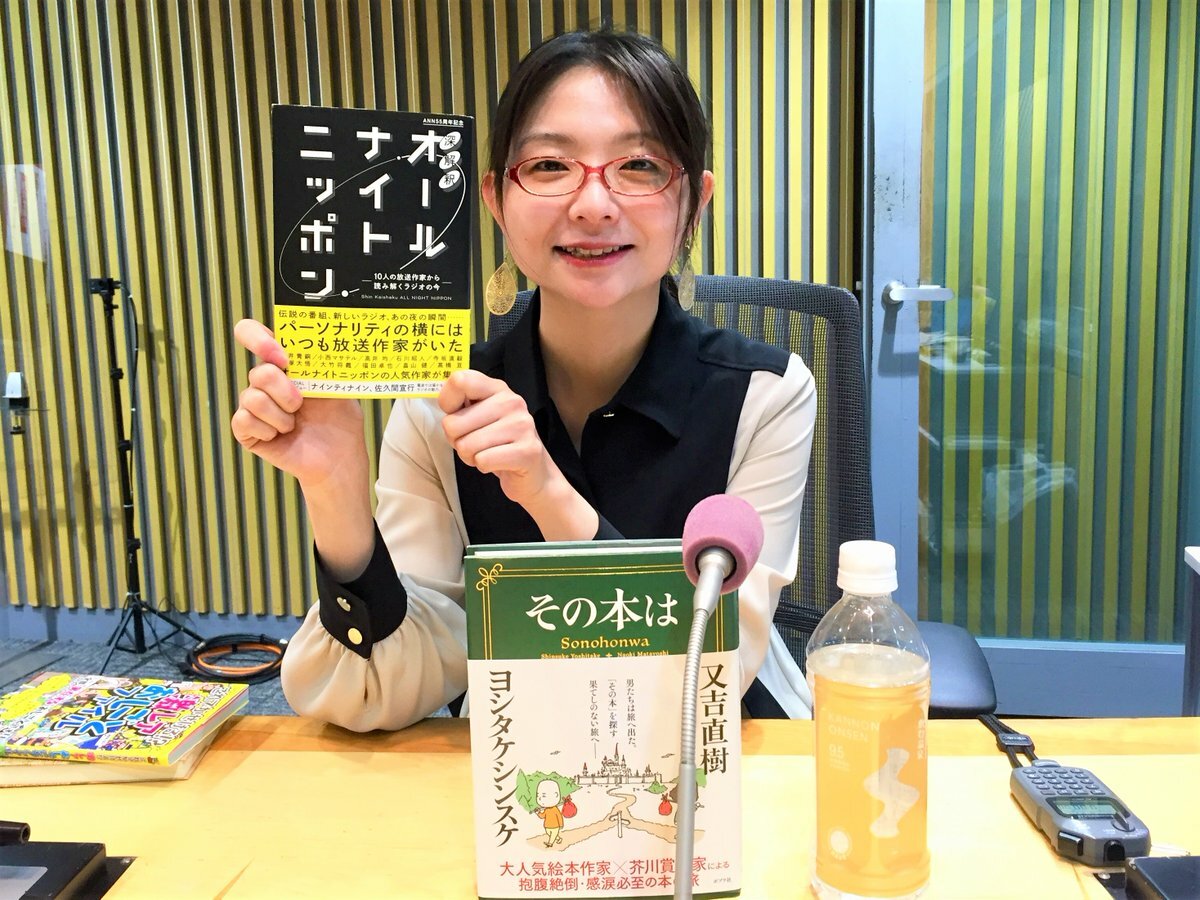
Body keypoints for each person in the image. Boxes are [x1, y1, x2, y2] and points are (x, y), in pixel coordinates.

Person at [230, 29, 816, 731]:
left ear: (695, 201)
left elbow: (705, 682)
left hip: (725, 755)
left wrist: (546, 494)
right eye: (548, 165)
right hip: (516, 754)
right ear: (495, 201)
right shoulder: (438, 412)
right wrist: (334, 487)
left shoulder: (765, 396)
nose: (593, 205)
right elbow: (379, 693)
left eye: (639, 165)